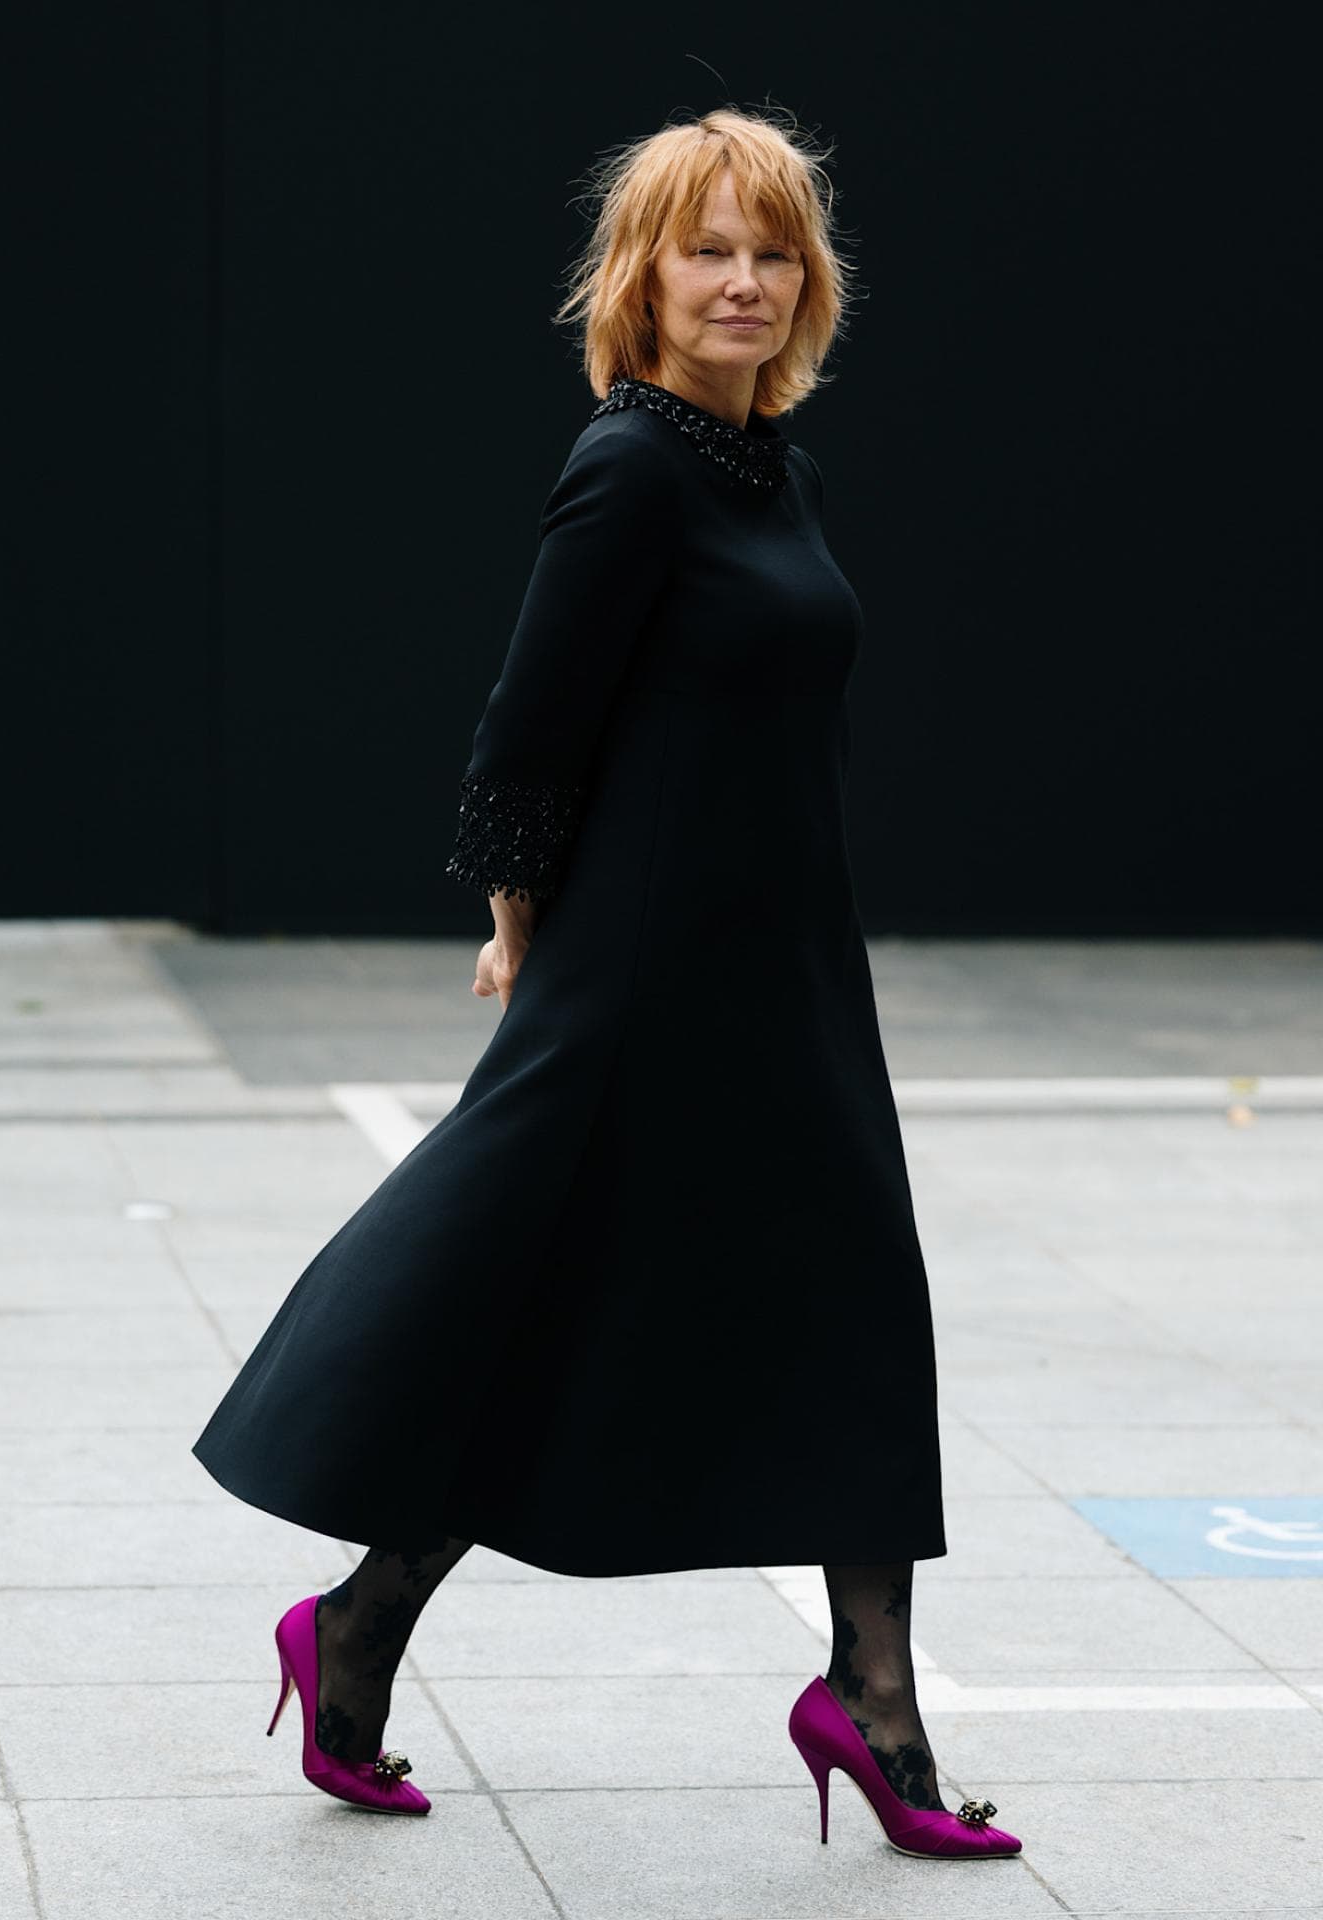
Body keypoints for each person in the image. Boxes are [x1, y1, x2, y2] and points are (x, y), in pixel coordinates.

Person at [192, 105, 1022, 1862]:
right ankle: (356, 1622)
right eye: (705, 248)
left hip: (786, 965)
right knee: (532, 1308)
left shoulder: (775, 470)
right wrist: (519, 927)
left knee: (853, 1307)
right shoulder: (632, 467)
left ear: (809, 280)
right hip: (644, 980)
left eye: (770, 249)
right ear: (639, 278)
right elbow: (525, 734)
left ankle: (870, 1700)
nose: (742, 279)